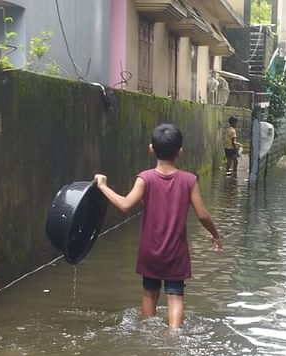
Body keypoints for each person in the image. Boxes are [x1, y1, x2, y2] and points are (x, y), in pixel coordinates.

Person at [94, 123, 223, 328]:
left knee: (149, 294)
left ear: (151, 148)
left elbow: (125, 205)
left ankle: (148, 334)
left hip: (150, 250)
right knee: (175, 297)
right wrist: (215, 235)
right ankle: (174, 336)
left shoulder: (145, 178)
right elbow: (202, 214)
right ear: (180, 151)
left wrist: (102, 186)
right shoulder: (189, 180)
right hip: (176, 252)